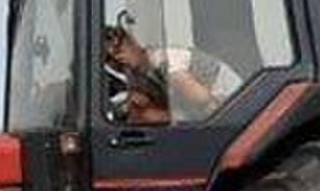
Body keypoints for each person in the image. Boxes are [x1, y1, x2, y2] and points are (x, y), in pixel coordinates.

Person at [104, 22, 244, 124]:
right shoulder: (134, 73)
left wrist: (160, 116)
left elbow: (206, 104)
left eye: (117, 48)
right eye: (108, 58)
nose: (116, 57)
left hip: (234, 105)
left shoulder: (168, 63)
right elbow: (138, 111)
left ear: (132, 41)